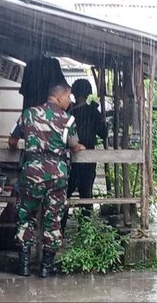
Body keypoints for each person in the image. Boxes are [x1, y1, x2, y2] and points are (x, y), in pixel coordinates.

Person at [15, 83, 85, 278]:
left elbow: (13, 141)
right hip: (57, 175)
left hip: (30, 174)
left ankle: (24, 266)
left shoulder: (28, 114)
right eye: (69, 97)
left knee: (25, 216)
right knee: (53, 220)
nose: (70, 101)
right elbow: (73, 145)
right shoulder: (68, 120)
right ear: (59, 97)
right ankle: (46, 267)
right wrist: (78, 147)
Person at [61, 79, 108, 230]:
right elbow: (104, 134)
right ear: (88, 93)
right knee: (86, 193)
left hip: (69, 160)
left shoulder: (68, 112)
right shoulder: (94, 112)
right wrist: (101, 119)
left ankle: (61, 228)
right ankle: (85, 229)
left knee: (65, 193)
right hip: (88, 160)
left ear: (73, 93)